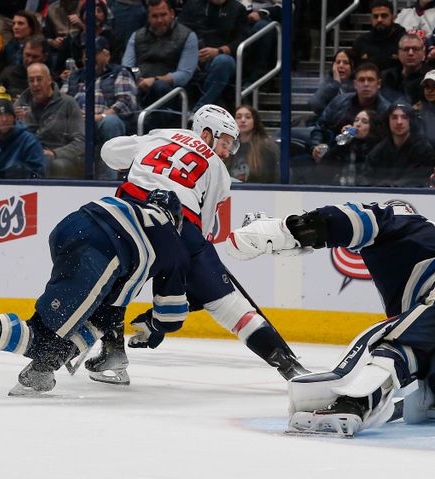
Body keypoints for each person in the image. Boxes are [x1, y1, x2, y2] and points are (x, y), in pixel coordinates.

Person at [225, 201, 435, 437]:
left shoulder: (397, 221)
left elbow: (348, 220)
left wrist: (281, 231)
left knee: (391, 345)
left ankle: (353, 403)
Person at [0, 186, 189, 396]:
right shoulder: (172, 242)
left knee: (83, 315)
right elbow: (171, 316)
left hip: (71, 227)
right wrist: (149, 326)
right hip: (103, 249)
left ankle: (45, 366)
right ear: (176, 220)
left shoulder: (130, 206)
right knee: (45, 337)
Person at [99, 104, 307, 381]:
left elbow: (109, 152)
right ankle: (289, 367)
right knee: (228, 304)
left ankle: (112, 353)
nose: (226, 152)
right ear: (207, 133)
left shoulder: (162, 135)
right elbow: (203, 228)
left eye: (231, 147)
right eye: (225, 143)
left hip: (134, 216)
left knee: (114, 284)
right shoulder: (218, 171)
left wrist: (140, 154)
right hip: (181, 228)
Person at [62, 36, 137, 179]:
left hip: (104, 121)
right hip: (77, 123)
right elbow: (62, 102)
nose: (87, 57)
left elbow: (127, 102)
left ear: (106, 55)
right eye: (85, 53)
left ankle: (109, 182)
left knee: (111, 122)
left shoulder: (120, 72)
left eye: (93, 53)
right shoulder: (73, 77)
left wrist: (100, 116)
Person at [122, 0, 197, 127]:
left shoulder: (188, 36)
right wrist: (138, 81)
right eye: (155, 16)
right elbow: (126, 69)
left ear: (172, 13)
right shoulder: (137, 36)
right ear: (148, 17)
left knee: (159, 87)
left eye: (163, 15)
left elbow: (184, 74)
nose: (160, 20)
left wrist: (155, 80)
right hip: (141, 89)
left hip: (173, 95)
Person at [15, 62, 85, 179]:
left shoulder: (68, 103)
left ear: (49, 80)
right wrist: (21, 122)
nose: (35, 84)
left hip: (60, 156)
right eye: (31, 80)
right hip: (29, 154)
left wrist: (54, 153)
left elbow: (81, 142)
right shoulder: (20, 105)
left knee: (52, 163)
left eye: (39, 79)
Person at [309, 63, 391, 163]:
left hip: (365, 160)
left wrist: (358, 135)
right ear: (355, 84)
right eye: (361, 80)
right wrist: (315, 147)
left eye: (370, 80)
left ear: (378, 84)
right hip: (331, 155)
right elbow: (320, 127)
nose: (366, 84)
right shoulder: (339, 101)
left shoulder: (387, 110)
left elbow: (386, 142)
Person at [178, 0, 248, 111]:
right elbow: (180, 33)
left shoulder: (238, 9)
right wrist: (190, 56)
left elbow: (243, 39)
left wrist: (219, 51)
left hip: (223, 57)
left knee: (224, 62)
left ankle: (199, 109)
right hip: (193, 55)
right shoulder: (192, 5)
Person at [360, 103, 435, 187]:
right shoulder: (379, 150)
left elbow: (416, 180)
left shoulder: (423, 149)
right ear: (387, 121)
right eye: (394, 117)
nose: (399, 122)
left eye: (404, 117)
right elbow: (366, 179)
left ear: (411, 121)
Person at [316, 109, 383, 186]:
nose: (358, 124)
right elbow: (322, 171)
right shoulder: (347, 144)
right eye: (356, 120)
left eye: (364, 122)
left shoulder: (378, 148)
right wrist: (342, 143)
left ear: (373, 127)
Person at [225, 104, 279, 183]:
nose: (243, 120)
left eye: (248, 117)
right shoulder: (227, 146)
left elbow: (272, 177)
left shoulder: (267, 147)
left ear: (255, 121)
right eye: (238, 117)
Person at [352, 0, 406, 74]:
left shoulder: (404, 41)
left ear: (393, 17)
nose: (379, 20)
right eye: (375, 16)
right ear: (371, 19)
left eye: (384, 16)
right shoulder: (361, 42)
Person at [381, 33, 426, 105]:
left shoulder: (430, 79)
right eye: (406, 49)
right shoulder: (387, 77)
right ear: (398, 53)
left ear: (423, 53)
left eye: (415, 49)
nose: (410, 53)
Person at [309, 49, 355, 116]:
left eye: (345, 62)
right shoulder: (329, 83)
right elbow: (315, 104)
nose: (341, 65)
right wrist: (336, 83)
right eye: (338, 62)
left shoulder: (359, 82)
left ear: (353, 65)